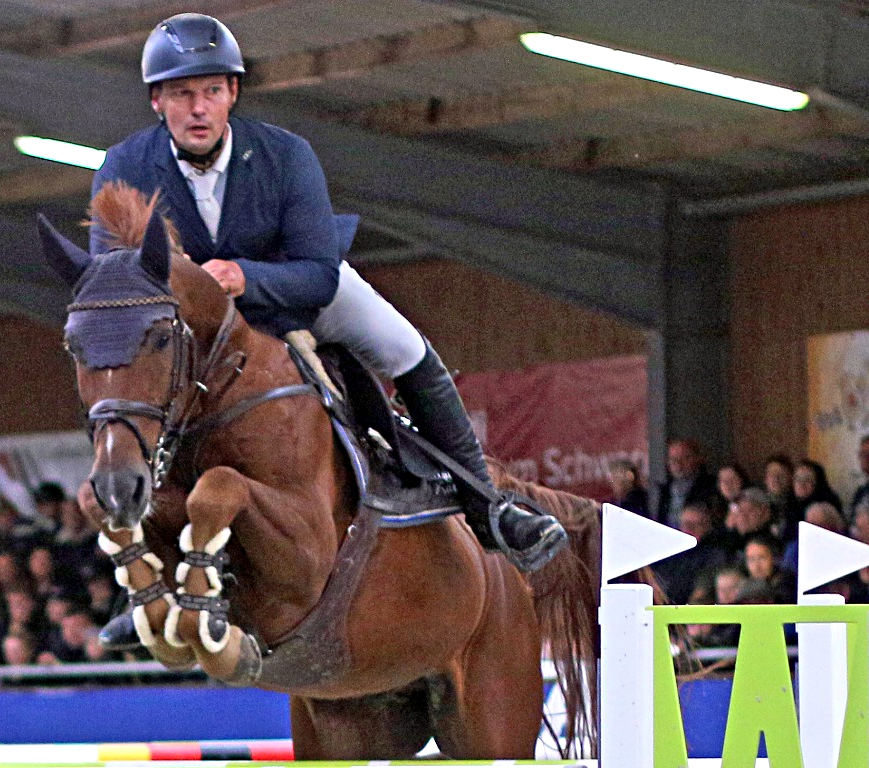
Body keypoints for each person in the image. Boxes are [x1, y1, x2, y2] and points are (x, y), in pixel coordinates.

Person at [88, 13, 566, 578]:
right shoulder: (125, 167)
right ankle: (135, 564)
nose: (199, 108)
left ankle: (487, 505)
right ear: (156, 101)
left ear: (232, 93)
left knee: (405, 347)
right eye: (183, 94)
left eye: (212, 92)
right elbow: (114, 283)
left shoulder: (287, 155)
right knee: (113, 361)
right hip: (194, 326)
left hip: (296, 293)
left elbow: (318, 272)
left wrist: (244, 277)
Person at [653, 439, 720, 530]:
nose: (678, 464)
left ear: (697, 458)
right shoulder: (665, 490)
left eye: (685, 458)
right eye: (673, 459)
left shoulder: (712, 486)